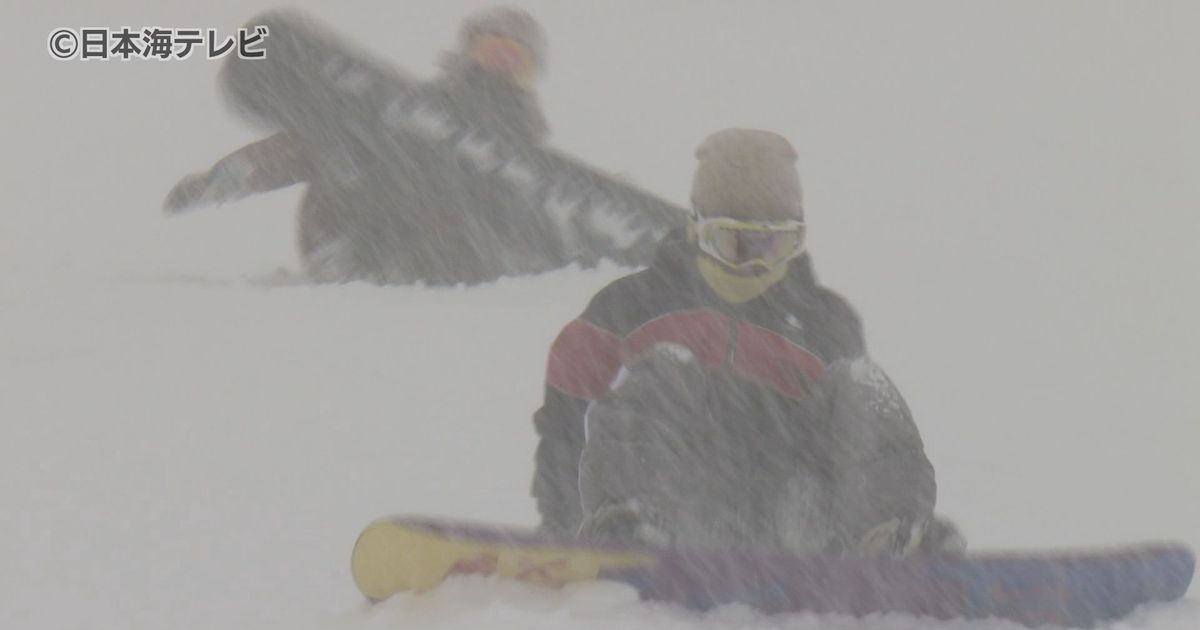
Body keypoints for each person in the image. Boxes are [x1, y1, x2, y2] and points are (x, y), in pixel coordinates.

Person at [531, 128, 964, 556]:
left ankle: (890, 540)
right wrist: (563, 531)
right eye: (733, 243)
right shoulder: (627, 308)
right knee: (664, 368)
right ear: (697, 230)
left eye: (774, 244)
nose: (754, 264)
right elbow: (565, 426)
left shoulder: (825, 321)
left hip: (795, 519)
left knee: (860, 382)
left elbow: (859, 444)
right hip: (682, 508)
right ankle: (630, 528)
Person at [164, 7, 551, 284]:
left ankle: (414, 262)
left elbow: (534, 215)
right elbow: (307, 145)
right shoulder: (416, 112)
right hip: (359, 236)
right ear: (467, 53)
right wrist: (227, 177)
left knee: (463, 178)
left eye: (515, 60)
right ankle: (346, 249)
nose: (500, 67)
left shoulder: (525, 151)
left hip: (450, 258)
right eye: (492, 52)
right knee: (356, 138)